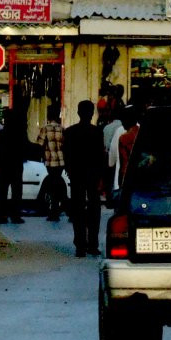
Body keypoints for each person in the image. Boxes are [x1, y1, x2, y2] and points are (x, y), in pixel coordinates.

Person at [62, 100, 107, 258]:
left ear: (78, 113)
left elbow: (66, 154)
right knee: (94, 209)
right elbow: (101, 156)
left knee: (78, 209)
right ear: (92, 113)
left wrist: (69, 170)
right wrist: (101, 177)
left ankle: (80, 245)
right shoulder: (97, 132)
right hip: (93, 176)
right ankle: (92, 244)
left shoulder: (69, 132)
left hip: (77, 175)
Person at [0, 102, 29, 224]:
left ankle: (1, 215)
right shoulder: (20, 134)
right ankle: (15, 215)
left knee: (2, 191)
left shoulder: (2, 134)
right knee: (16, 191)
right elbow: (25, 147)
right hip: (17, 165)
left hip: (4, 165)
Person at [38, 99, 68, 223]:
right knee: (56, 184)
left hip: (50, 161)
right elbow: (65, 145)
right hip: (61, 162)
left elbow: (40, 144)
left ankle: (54, 210)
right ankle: (60, 206)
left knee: (52, 185)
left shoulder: (45, 128)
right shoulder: (62, 129)